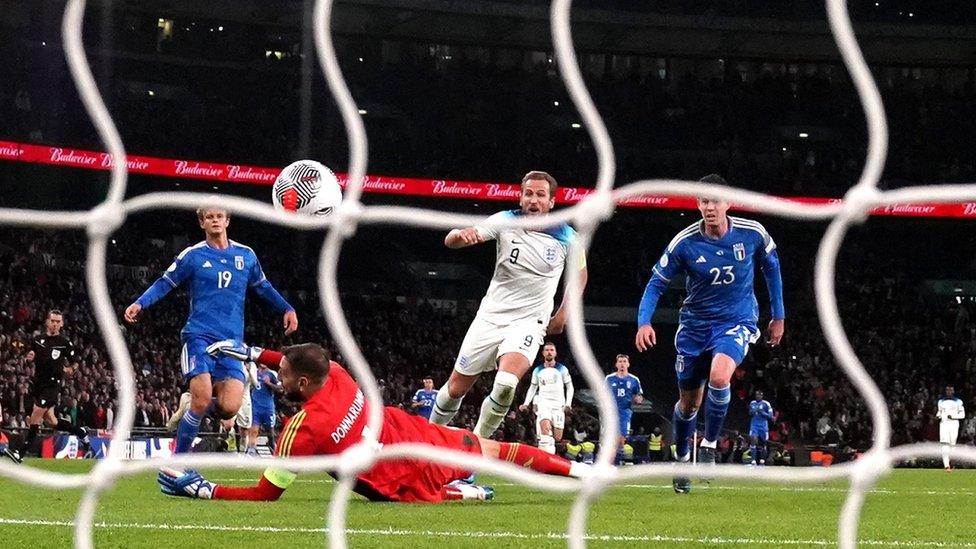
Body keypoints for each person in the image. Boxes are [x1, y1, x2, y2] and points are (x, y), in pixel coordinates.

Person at [158, 342, 589, 503]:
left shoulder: (302, 431)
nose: (276, 378)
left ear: (303, 383)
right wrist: (255, 352)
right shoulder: (340, 374)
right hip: (417, 436)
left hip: (395, 478)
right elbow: (305, 358)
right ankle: (580, 472)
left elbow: (265, 494)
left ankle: (462, 493)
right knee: (501, 452)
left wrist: (207, 489)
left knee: (427, 494)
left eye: (283, 376)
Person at [635, 175, 785, 494]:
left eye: (715, 200)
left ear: (727, 202)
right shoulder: (684, 242)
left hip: (737, 320)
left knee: (720, 377)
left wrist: (779, 315)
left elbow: (772, 268)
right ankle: (683, 457)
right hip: (694, 327)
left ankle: (709, 444)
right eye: (704, 201)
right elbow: (656, 284)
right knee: (688, 405)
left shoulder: (753, 233)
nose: (709, 207)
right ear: (697, 204)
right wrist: (643, 321)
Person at [124, 206, 297, 454]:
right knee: (203, 397)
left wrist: (286, 308)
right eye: (209, 217)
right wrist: (141, 302)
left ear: (227, 220)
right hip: (199, 337)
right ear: (202, 223)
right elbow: (166, 282)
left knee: (229, 408)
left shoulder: (246, 256)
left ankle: (189, 404)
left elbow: (263, 287)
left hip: (232, 344)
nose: (214, 221)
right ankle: (179, 461)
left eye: (219, 216)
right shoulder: (192, 256)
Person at [429, 171, 587, 439]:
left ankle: (475, 450)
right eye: (528, 194)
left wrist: (563, 313)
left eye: (540, 195)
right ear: (521, 196)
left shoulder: (568, 237)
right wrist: (459, 235)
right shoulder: (505, 220)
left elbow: (580, 274)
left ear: (551, 202)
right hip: (490, 318)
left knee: (505, 385)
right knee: (455, 389)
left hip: (529, 322)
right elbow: (451, 241)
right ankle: (428, 437)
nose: (533, 200)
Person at [21, 310, 90, 457]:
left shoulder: (64, 343)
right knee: (52, 421)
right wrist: (30, 356)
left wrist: (70, 369)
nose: (55, 324)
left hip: (53, 385)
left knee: (35, 415)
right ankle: (80, 432)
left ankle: (21, 452)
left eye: (58, 322)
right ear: (47, 322)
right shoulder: (38, 339)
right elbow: (30, 354)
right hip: (38, 383)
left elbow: (75, 364)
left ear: (62, 324)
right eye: (53, 321)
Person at [518, 342, 574, 454]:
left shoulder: (562, 369)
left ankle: (548, 450)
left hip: (559, 405)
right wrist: (526, 403)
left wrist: (568, 404)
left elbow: (570, 387)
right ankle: (545, 458)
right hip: (544, 403)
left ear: (555, 353)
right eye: (547, 350)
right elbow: (533, 388)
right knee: (545, 432)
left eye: (552, 350)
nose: (549, 352)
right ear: (543, 353)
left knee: (557, 437)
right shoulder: (537, 370)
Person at [605, 354, 643, 464]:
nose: (622, 364)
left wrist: (638, 399)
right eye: (620, 361)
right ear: (616, 364)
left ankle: (616, 463)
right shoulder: (609, 378)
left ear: (628, 364)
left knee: (621, 439)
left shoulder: (634, 380)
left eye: (624, 361)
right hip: (610, 412)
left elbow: (639, 395)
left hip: (624, 412)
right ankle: (610, 463)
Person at [248, 360, 282, 455]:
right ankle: (251, 452)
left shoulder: (272, 374)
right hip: (255, 406)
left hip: (268, 408)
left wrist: (269, 384)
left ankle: (274, 450)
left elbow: (280, 389)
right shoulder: (253, 372)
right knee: (253, 430)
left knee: (270, 433)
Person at [937, 385, 965, 471]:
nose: (949, 392)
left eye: (951, 390)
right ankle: (946, 465)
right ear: (945, 391)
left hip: (954, 424)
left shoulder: (959, 402)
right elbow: (939, 412)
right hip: (944, 424)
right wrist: (938, 415)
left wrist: (953, 416)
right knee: (944, 444)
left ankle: (951, 463)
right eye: (947, 390)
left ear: (953, 391)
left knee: (952, 445)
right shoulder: (941, 401)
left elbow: (962, 415)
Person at [748, 390, 774, 466]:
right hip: (754, 425)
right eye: (757, 395)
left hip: (763, 426)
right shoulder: (752, 403)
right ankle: (753, 461)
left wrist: (762, 412)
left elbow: (770, 416)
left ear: (762, 396)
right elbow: (750, 413)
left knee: (763, 443)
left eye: (759, 395)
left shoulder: (766, 404)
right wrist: (754, 410)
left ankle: (762, 461)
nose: (758, 396)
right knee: (753, 440)